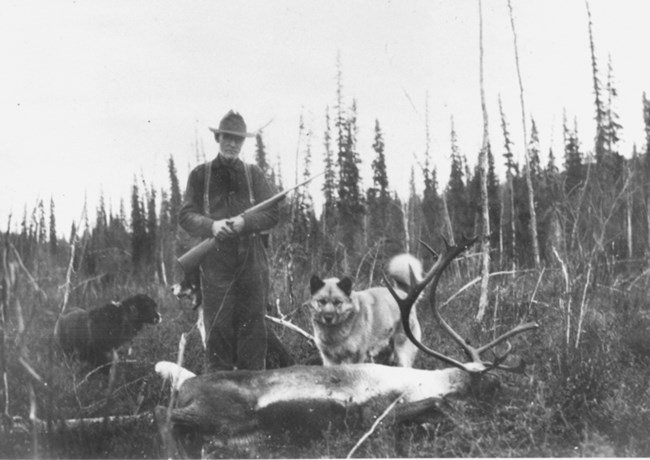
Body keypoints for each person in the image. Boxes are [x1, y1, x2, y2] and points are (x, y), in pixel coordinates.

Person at [179, 110, 279, 372]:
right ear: (218, 138)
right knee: (218, 334)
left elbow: (272, 213)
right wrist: (212, 226)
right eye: (227, 138)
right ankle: (219, 403)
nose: (233, 144)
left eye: (238, 139)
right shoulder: (200, 175)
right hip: (216, 266)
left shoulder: (253, 174)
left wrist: (246, 223)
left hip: (252, 263)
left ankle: (251, 403)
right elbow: (186, 215)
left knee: (253, 336)